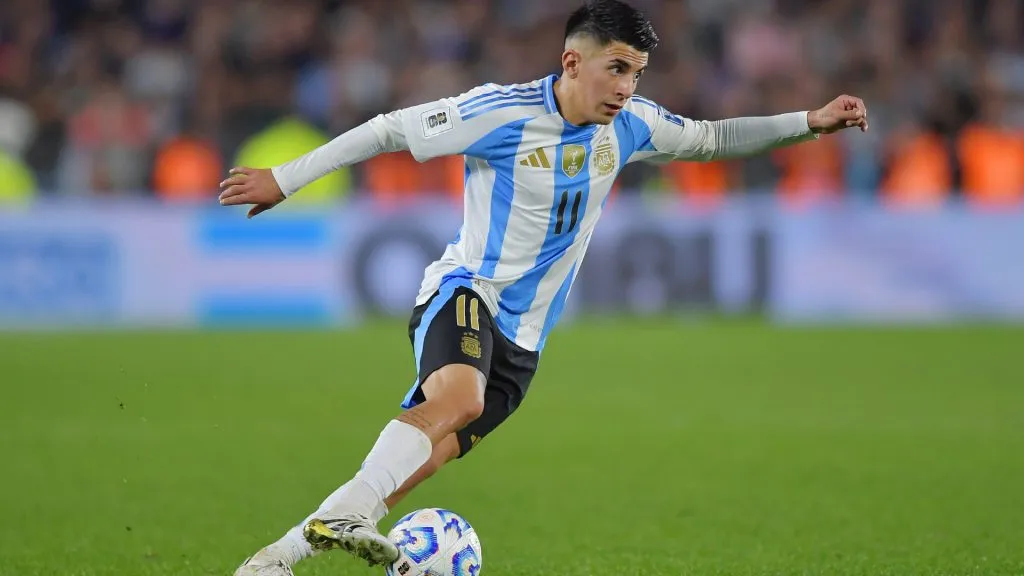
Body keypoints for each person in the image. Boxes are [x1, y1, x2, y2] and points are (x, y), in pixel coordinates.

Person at [221, 1, 869, 574]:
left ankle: (276, 559)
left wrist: (809, 121)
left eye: (637, 73)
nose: (627, 87)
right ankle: (345, 517)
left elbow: (710, 138)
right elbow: (390, 129)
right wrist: (285, 178)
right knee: (460, 399)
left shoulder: (631, 126)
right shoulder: (502, 113)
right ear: (572, 62)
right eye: (617, 68)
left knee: (416, 464)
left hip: (524, 341)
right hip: (467, 291)